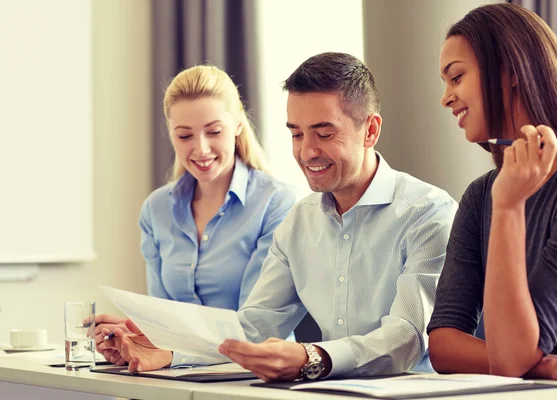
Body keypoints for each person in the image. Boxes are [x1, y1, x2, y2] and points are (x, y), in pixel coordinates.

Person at [99, 52, 458, 381]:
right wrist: (166, 350)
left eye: (323, 133)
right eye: (296, 134)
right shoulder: (299, 223)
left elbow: (408, 336)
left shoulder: (428, 213)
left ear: (371, 130)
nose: (306, 152)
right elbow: (252, 327)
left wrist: (313, 357)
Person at [428, 3, 557, 381]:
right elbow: (442, 344)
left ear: (510, 72)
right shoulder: (480, 195)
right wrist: (547, 364)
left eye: (455, 78)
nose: (445, 98)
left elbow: (509, 362)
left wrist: (508, 206)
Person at [94, 65, 297, 365]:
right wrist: (135, 335)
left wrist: (170, 354)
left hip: (254, 378)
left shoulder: (276, 202)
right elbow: (164, 320)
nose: (201, 149)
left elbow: (255, 330)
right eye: (185, 135)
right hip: (181, 376)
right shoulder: (156, 209)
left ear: (238, 125)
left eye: (214, 132)